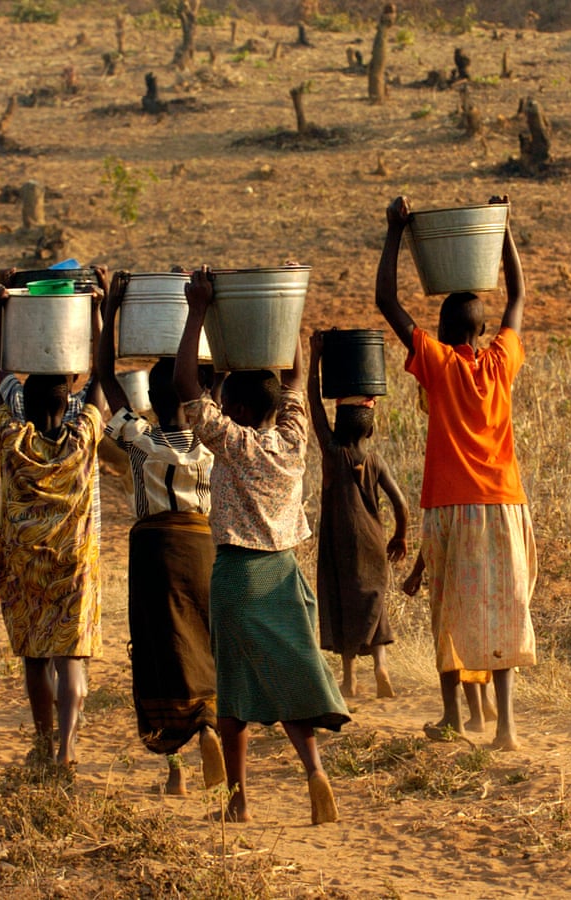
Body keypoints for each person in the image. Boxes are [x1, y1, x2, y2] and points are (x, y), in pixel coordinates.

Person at [175, 268, 349, 824]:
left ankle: (240, 801)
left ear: (242, 413)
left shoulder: (235, 443)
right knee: (289, 679)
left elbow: (184, 388)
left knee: (237, 693)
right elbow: (296, 379)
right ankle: (315, 774)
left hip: (238, 576)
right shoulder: (293, 438)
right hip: (284, 575)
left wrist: (197, 311)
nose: (221, 410)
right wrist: (286, 317)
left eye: (228, 404)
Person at [376, 195, 537, 752]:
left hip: (449, 505)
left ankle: (452, 716)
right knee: (504, 613)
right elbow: (517, 294)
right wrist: (504, 228)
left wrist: (395, 230)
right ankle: (508, 728)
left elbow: (385, 301)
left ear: (442, 336)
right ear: (484, 330)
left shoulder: (439, 366)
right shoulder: (500, 362)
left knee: (448, 609)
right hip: (505, 503)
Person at [99, 275, 224, 797]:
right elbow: (214, 384)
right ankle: (210, 725)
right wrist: (206, 310)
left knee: (157, 645)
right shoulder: (212, 438)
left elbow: (104, 378)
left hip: (152, 551)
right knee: (202, 638)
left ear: (146, 397)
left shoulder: (141, 440)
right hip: (203, 546)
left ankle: (173, 766)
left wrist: (110, 310)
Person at [0, 283, 105, 770]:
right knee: (71, 654)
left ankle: (42, 740)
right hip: (74, 562)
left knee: (35, 655)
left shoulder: (12, 439)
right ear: (68, 403)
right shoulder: (84, 437)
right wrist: (100, 308)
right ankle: (70, 745)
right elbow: (102, 379)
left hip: (26, 564)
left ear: (23, 408)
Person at [307, 331, 409, 700]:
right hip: (373, 541)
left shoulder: (333, 452)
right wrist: (400, 536)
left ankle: (349, 678)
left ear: (337, 425)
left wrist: (315, 357)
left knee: (342, 600)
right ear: (372, 426)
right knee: (373, 602)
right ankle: (381, 667)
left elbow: (314, 407)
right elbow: (401, 504)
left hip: (339, 540)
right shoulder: (375, 460)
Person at [402, 550, 497, 734]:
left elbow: (434, 533)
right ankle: (485, 701)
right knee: (474, 635)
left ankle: (472, 716)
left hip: (452, 571)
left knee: (454, 642)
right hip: (481, 568)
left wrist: (416, 572)